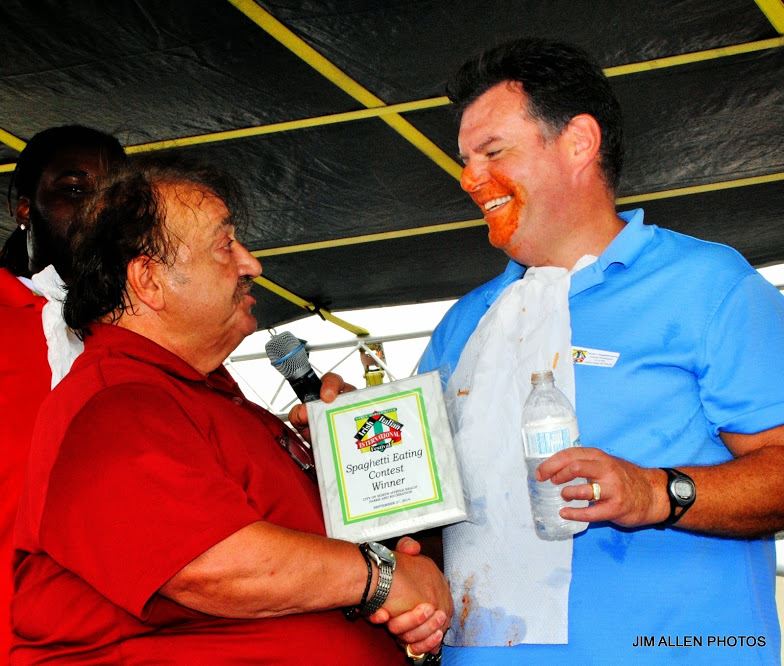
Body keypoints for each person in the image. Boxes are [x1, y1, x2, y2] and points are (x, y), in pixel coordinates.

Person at [418, 38, 784, 664]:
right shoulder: (462, 323)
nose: (469, 178)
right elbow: (419, 508)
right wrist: (354, 439)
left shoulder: (707, 284)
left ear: (579, 142)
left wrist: (657, 493)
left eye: (492, 152)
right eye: (464, 159)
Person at [11, 156, 452, 664]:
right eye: (226, 245)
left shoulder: (208, 397)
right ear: (149, 280)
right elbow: (213, 565)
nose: (252, 264)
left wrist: (362, 454)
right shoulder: (116, 402)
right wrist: (383, 578)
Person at [0, 125, 126, 660]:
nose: (97, 210)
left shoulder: (149, 338)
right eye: (75, 191)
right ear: (24, 207)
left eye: (114, 195)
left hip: (127, 632)